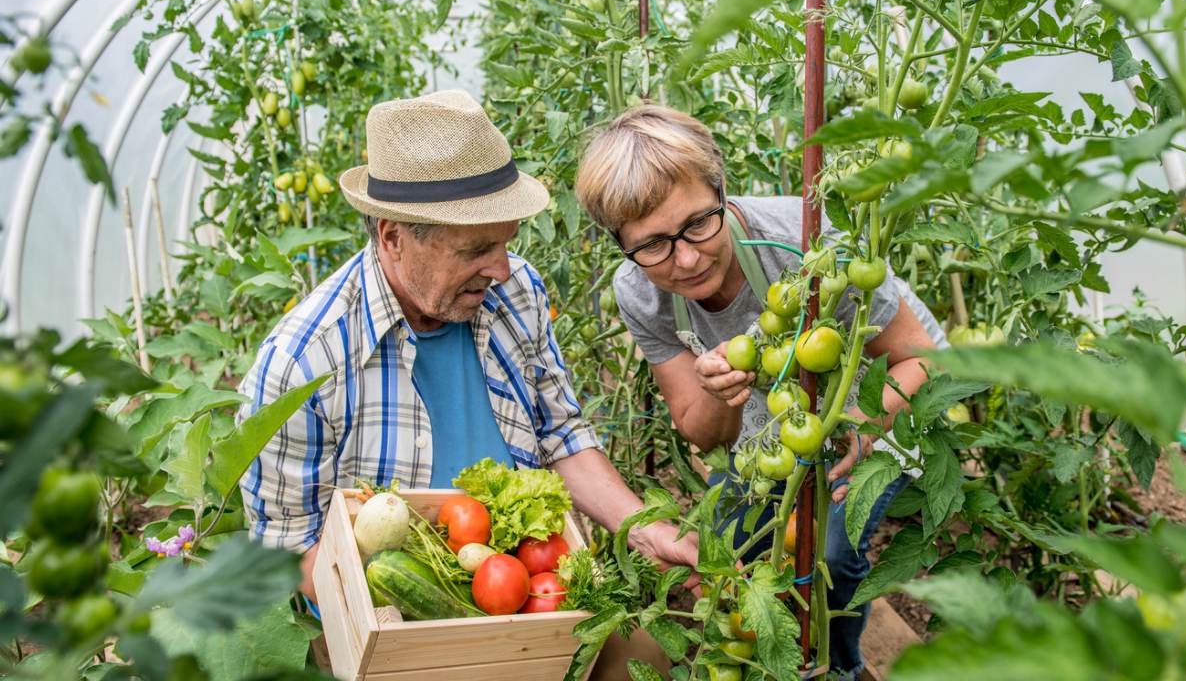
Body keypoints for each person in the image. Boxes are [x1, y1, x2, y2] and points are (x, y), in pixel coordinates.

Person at [237, 91, 690, 674]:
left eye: (506, 242)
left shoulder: (514, 290)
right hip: (388, 626)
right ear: (394, 237)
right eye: (477, 249)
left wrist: (644, 528)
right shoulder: (304, 363)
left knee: (643, 664)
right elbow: (288, 546)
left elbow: (562, 435)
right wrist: (438, 636)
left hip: (531, 586)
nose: (502, 268)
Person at [574, 103, 945, 679]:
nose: (688, 257)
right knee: (729, 547)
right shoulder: (641, 293)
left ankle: (840, 665)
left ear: (722, 190)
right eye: (652, 245)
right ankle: (758, 661)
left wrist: (857, 425)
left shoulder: (807, 246)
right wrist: (721, 393)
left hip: (884, 402)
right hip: (774, 424)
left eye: (699, 222)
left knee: (834, 558)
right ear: (620, 243)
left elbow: (919, 361)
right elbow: (699, 430)